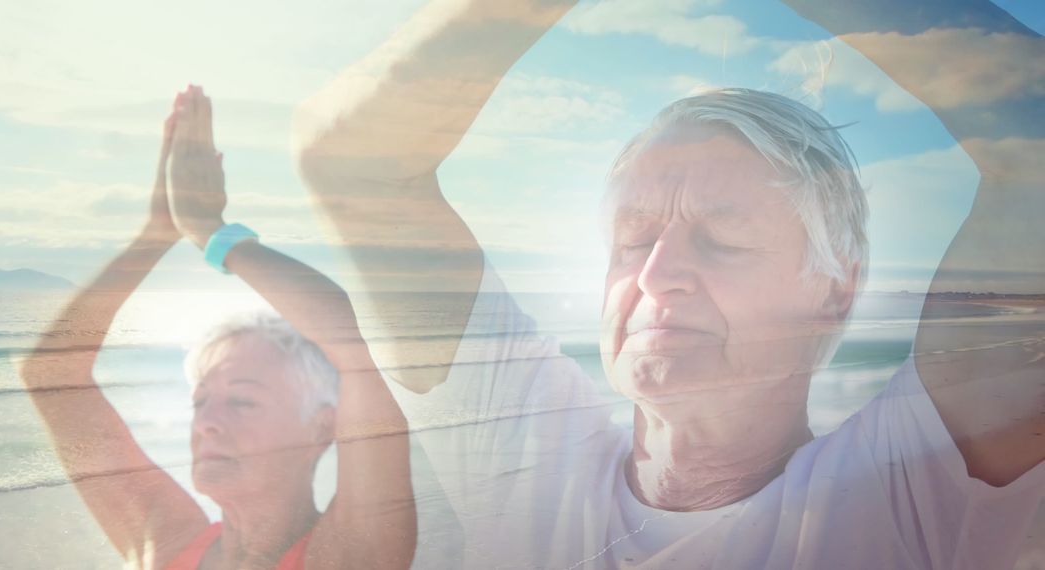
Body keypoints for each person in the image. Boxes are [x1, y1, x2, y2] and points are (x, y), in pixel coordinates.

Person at [292, 0, 1045, 568]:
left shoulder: (910, 491)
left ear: (835, 290)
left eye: (722, 240)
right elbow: (356, 162)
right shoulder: (529, 461)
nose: (655, 275)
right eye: (633, 239)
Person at [19, 86, 416, 570]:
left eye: (242, 401)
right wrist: (156, 234)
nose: (206, 423)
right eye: (200, 401)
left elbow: (348, 345)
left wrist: (209, 229)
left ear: (322, 426)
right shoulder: (164, 545)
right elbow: (51, 376)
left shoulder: (350, 553)